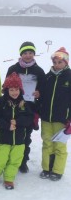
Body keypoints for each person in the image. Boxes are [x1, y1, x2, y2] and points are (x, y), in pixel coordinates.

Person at [6, 41, 45, 173]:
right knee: (10, 135)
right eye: (25, 53)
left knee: (25, 138)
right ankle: (9, 159)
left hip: (29, 109)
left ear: (34, 54)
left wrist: (40, 92)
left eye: (30, 53)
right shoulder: (13, 69)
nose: (28, 55)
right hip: (13, 108)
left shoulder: (39, 71)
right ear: (21, 54)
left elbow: (44, 89)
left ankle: (23, 161)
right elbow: (6, 88)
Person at [0, 72, 33, 189]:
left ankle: (9, 179)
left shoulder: (24, 103)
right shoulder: (1, 102)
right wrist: (7, 125)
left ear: (21, 90)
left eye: (17, 89)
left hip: (19, 140)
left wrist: (18, 122)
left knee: (15, 160)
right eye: (12, 90)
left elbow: (30, 118)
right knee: (0, 159)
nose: (14, 92)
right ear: (7, 90)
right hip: (4, 137)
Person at [39, 47, 71, 181]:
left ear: (66, 63)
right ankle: (47, 168)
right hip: (46, 117)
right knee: (47, 143)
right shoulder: (48, 76)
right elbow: (42, 94)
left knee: (59, 145)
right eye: (55, 62)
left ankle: (57, 170)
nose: (57, 65)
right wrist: (38, 94)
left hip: (61, 119)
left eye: (60, 62)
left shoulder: (69, 77)